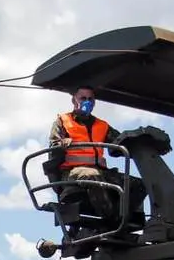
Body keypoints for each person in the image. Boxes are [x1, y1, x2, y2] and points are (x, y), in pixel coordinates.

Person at [45, 85, 125, 220]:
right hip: (71, 173)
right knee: (91, 175)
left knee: (134, 183)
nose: (87, 102)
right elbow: (53, 146)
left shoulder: (102, 125)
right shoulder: (63, 122)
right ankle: (110, 220)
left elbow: (119, 141)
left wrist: (136, 139)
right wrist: (62, 144)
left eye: (90, 99)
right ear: (74, 100)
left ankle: (127, 219)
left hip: (100, 171)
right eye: (83, 98)